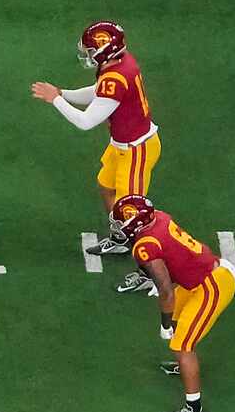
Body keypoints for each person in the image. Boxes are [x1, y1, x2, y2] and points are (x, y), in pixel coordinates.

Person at [31, 21, 160, 293]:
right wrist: (64, 93)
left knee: (135, 214)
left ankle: (151, 274)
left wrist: (55, 99)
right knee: (106, 187)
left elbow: (86, 121)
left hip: (136, 150)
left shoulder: (117, 76)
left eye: (91, 50)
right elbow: (97, 92)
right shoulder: (117, 63)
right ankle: (122, 238)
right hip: (122, 145)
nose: (88, 55)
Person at [112, 195, 235, 412]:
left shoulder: (145, 245)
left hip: (211, 286)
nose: (120, 226)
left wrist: (164, 323)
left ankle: (194, 408)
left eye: (123, 222)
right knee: (181, 323)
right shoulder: (159, 217)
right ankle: (184, 364)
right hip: (201, 278)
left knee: (181, 344)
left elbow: (166, 291)